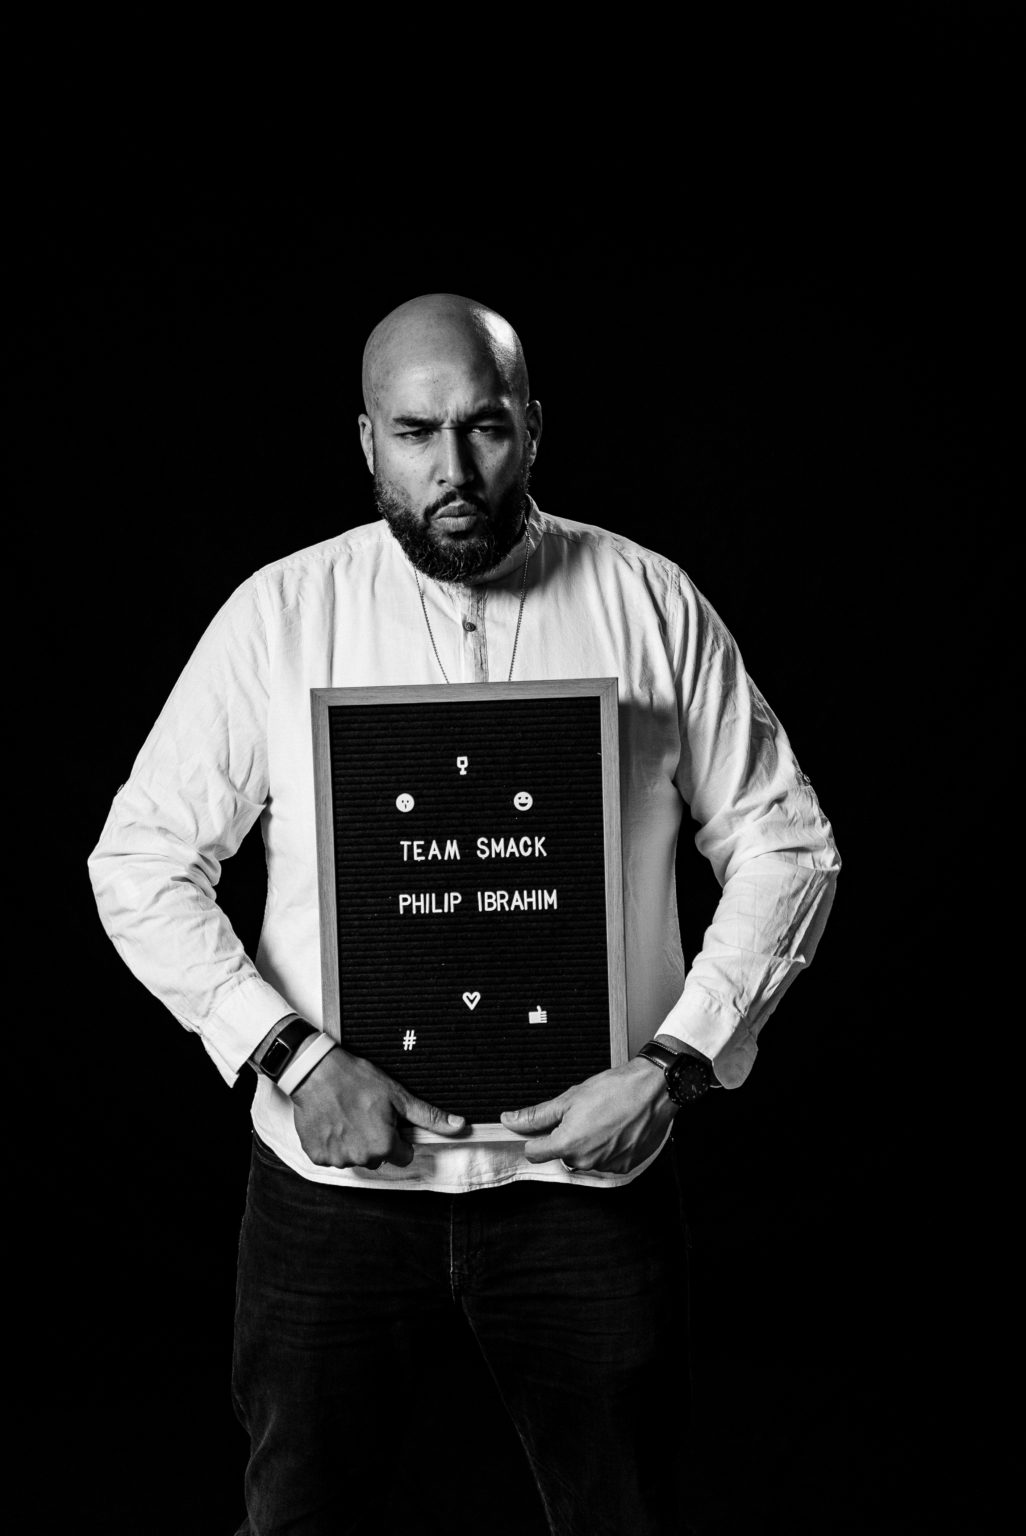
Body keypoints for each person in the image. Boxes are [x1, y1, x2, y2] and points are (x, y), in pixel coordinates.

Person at [89, 293, 840, 1535]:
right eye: (416, 431)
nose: (453, 469)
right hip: (336, 1186)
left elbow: (788, 844)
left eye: (485, 428)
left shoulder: (649, 600)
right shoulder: (281, 615)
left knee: (625, 1517)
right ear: (367, 443)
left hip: (585, 1188)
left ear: (534, 429)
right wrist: (291, 1057)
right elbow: (141, 860)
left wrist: (674, 1063)